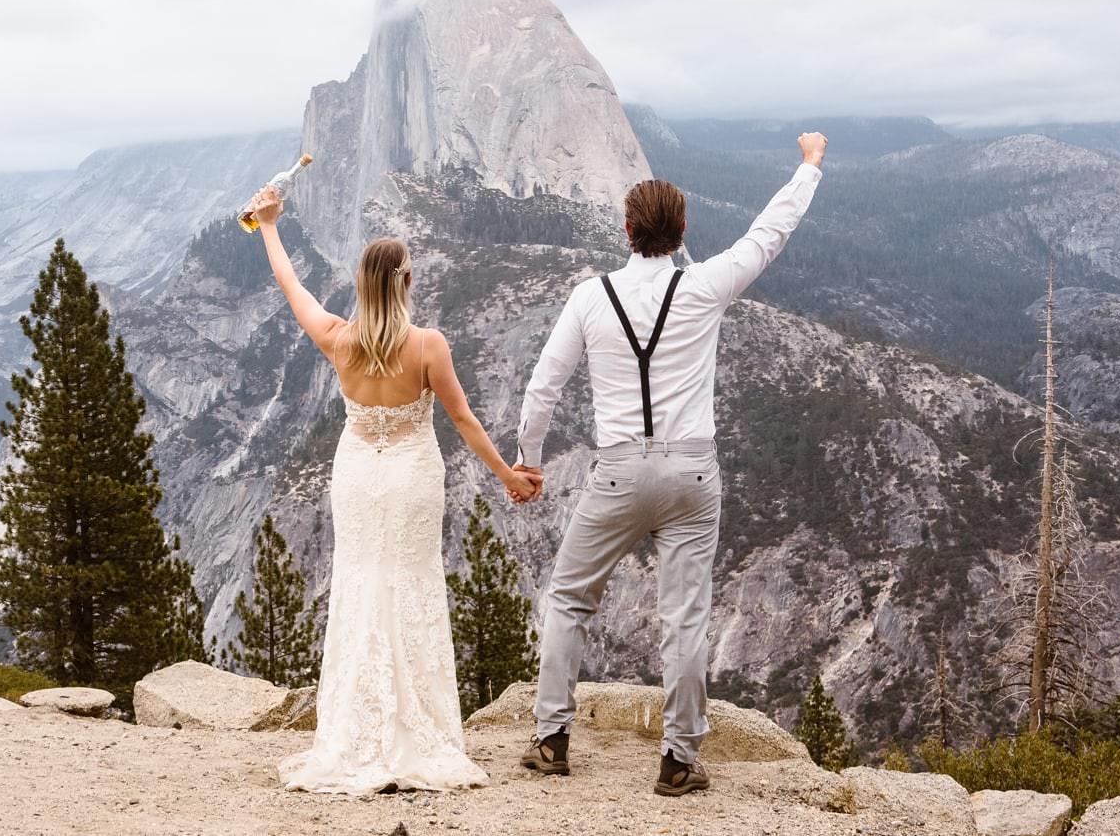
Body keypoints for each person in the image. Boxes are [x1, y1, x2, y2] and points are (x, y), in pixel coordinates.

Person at [514, 132, 827, 797]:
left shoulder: (589, 297)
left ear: (626, 231)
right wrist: (807, 167)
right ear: (681, 230)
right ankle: (678, 757)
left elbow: (544, 384)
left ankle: (550, 739)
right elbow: (768, 233)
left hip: (618, 472)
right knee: (683, 617)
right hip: (690, 474)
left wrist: (529, 460)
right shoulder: (706, 285)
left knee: (568, 599)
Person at [248, 185, 541, 795]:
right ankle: (418, 731)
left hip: (356, 475)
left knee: (361, 582)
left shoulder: (338, 339)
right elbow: (462, 420)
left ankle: (355, 731)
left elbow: (290, 286)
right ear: (406, 283)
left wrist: (270, 225)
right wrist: (509, 477)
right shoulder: (427, 346)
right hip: (410, 476)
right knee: (410, 585)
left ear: (361, 285)